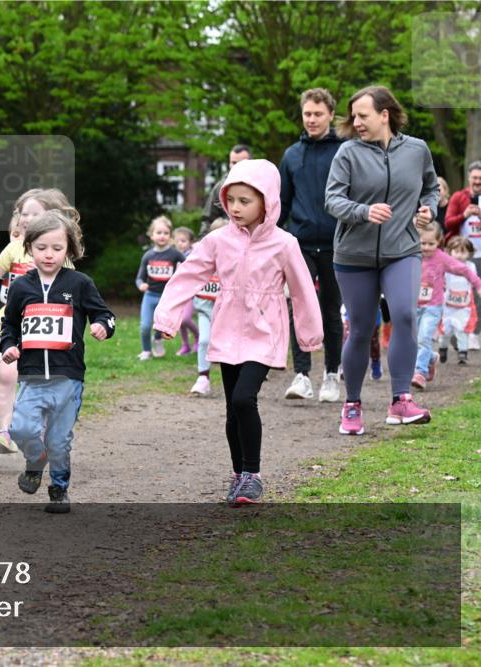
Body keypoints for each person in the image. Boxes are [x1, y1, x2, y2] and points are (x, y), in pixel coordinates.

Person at [154, 159, 323, 505]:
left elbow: (304, 290)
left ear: (267, 201)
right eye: (231, 200)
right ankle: (237, 475)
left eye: (245, 201)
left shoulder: (285, 243)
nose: (235, 208)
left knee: (246, 399)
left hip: (265, 333)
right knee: (232, 407)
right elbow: (188, 275)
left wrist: (309, 336)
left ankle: (252, 473)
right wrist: (168, 318)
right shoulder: (217, 240)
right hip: (227, 330)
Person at [325, 85, 440, 434]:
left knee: (405, 314)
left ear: (384, 114)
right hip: (354, 254)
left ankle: (400, 400)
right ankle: (352, 405)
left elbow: (431, 189)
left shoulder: (417, 150)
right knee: (360, 330)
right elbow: (332, 200)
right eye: (354, 116)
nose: (356, 122)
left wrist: (427, 210)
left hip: (402, 249)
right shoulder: (347, 153)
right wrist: (363, 211)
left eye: (363, 115)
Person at [0, 209, 116, 513]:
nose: (48, 255)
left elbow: (105, 314)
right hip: (32, 375)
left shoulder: (80, 283)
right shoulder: (22, 287)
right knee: (22, 429)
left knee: (59, 439)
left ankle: (59, 487)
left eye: (57, 248)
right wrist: (9, 346)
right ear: (29, 247)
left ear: (69, 249)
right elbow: (9, 324)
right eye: (41, 248)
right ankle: (35, 459)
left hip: (68, 376)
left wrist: (103, 326)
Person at [0, 188, 78, 454]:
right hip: (10, 325)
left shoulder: (58, 253)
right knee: (8, 375)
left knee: (40, 383)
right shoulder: (15, 247)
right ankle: (5, 432)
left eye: (35, 214)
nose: (26, 219)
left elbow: (72, 291)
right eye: (23, 213)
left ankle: (40, 434)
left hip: (45, 331)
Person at [279, 88, 346, 404]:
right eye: (307, 114)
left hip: (337, 244)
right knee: (300, 308)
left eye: (318, 114)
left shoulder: (345, 151)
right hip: (300, 245)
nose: (312, 120)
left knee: (331, 310)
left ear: (330, 115)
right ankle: (302, 375)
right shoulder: (292, 155)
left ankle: (332, 374)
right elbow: (282, 203)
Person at [412, 224, 481, 387]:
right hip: (414, 306)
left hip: (433, 307)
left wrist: (478, 284)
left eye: (431, 244)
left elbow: (463, 269)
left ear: (439, 243)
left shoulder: (441, 258)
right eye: (423, 243)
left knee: (423, 338)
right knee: (414, 340)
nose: (426, 247)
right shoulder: (413, 255)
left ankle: (420, 372)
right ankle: (431, 358)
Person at [443, 161, 481, 349]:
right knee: (459, 293)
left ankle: (474, 333)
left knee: (479, 295)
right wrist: (465, 214)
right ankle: (453, 332)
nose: (477, 182)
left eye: (480, 179)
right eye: (475, 178)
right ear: (469, 177)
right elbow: (448, 223)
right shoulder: (459, 197)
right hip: (461, 255)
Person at [135, 216, 185, 360]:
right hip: (150, 295)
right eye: (158, 232)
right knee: (145, 326)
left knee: (161, 326)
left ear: (170, 235)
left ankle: (157, 340)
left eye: (166, 233)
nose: (162, 236)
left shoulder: (175, 253)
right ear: (152, 235)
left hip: (167, 297)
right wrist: (141, 285)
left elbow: (189, 265)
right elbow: (139, 277)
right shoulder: (148, 256)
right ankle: (146, 351)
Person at [189, 217, 228, 395]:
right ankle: (203, 377)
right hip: (205, 309)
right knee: (204, 340)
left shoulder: (236, 258)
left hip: (229, 313)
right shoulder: (202, 256)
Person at [439, 236, 478, 365]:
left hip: (463, 305)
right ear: (450, 252)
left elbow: (474, 281)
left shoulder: (471, 267)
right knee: (445, 330)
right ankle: (442, 348)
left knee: (462, 330)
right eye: (456, 251)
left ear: (469, 253)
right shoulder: (446, 267)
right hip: (448, 305)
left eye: (463, 252)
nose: (459, 255)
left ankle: (463, 353)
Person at [200, 144, 251, 236]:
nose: (236, 166)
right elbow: (208, 218)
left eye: (241, 162)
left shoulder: (261, 186)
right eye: (233, 162)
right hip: (227, 239)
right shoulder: (220, 187)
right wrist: (202, 242)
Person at [172, 226, 199, 356]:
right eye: (177, 241)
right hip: (177, 293)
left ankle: (198, 336)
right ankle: (185, 345)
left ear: (190, 242)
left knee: (186, 319)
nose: (180, 244)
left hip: (190, 293)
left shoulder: (193, 256)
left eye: (183, 241)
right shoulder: (173, 256)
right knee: (179, 321)